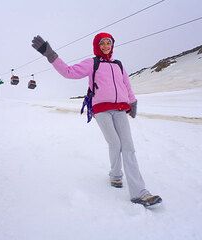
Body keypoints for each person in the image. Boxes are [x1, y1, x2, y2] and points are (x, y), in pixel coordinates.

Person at [32, 33, 162, 207]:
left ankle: (139, 193)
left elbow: (126, 84)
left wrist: (133, 101)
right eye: (102, 43)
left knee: (128, 147)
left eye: (109, 42)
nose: (106, 45)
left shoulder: (118, 65)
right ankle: (116, 176)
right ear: (97, 45)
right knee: (115, 143)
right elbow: (69, 72)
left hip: (121, 108)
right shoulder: (92, 63)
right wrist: (50, 54)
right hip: (101, 109)